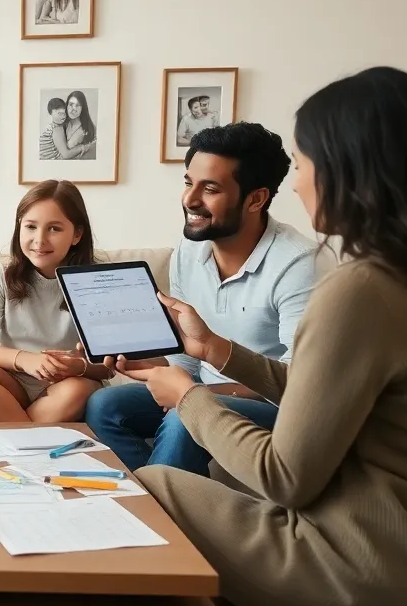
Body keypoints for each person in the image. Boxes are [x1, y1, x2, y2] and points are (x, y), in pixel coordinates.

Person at [109, 67, 407, 606]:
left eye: (300, 163)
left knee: (152, 485)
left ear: (348, 169)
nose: (294, 183)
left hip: (352, 580)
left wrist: (186, 395)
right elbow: (328, 396)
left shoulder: (359, 292)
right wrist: (218, 352)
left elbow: (285, 476)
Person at [84, 123, 318, 475]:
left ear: (256, 199)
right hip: (203, 389)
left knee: (185, 415)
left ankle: (159, 516)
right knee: (105, 404)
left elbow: (299, 385)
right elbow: (186, 355)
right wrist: (163, 373)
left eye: (209, 188)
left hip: (273, 407)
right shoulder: (189, 251)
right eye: (188, 182)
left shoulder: (299, 264)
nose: (190, 200)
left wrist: (189, 394)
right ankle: (153, 499)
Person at [0, 180, 112, 423]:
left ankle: (18, 439)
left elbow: (108, 365)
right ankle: (34, 439)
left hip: (65, 383)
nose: (39, 240)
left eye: (54, 229)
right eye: (30, 227)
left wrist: (78, 367)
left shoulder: (97, 279)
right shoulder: (3, 272)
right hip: (13, 380)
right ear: (19, 227)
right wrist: (25, 360)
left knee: (78, 390)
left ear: (77, 234)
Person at [39, 96, 95, 160]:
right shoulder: (57, 129)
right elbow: (66, 154)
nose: (63, 116)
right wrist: (81, 147)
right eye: (59, 113)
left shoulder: (49, 127)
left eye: (64, 113)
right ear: (51, 113)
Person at [64, 90, 97, 160]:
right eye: (71, 104)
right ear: (66, 106)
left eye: (77, 105)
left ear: (82, 108)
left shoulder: (89, 128)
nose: (74, 109)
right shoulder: (61, 124)